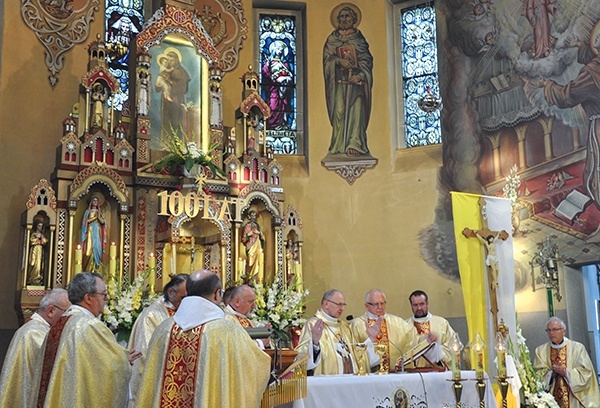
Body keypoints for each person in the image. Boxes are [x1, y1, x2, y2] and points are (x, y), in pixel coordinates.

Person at [136, 270, 271, 407]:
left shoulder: (163, 329)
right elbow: (251, 370)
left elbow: (148, 378)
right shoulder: (227, 332)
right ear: (217, 294)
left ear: (188, 292)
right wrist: (261, 345)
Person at [531, 27, 600, 242]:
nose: (595, 42)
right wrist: (577, 46)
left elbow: (568, 95)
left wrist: (547, 85)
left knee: (596, 176)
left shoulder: (591, 73)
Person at [34, 272, 140, 407]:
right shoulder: (90, 326)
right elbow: (109, 372)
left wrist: (120, 358)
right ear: (88, 298)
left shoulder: (61, 322)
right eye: (103, 294)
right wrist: (124, 361)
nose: (106, 299)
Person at [0, 289, 70, 407]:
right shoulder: (36, 333)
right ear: (51, 310)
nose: (68, 319)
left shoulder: (36, 328)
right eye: (66, 313)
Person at [128, 274, 188, 402]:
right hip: (159, 381)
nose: (187, 302)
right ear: (171, 292)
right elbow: (144, 354)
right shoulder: (152, 315)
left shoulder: (187, 312)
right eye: (183, 297)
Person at [323, 5, 373, 157]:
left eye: (347, 16)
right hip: (339, 84)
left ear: (354, 19)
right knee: (339, 111)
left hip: (356, 85)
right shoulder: (332, 39)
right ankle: (339, 144)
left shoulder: (359, 38)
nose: (344, 19)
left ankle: (355, 143)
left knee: (357, 110)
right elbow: (327, 59)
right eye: (341, 17)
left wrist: (361, 76)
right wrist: (338, 61)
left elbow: (367, 60)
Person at [351, 289, 438, 373]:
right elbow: (353, 353)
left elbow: (414, 340)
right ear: (367, 306)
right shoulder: (357, 325)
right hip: (368, 377)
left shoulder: (399, 323)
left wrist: (427, 340)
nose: (380, 307)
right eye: (376, 304)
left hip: (394, 375)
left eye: (382, 303)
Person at [533, 317, 600, 408]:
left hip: (573, 399)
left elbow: (586, 373)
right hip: (551, 397)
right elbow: (537, 375)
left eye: (555, 329)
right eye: (548, 330)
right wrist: (550, 374)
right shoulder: (541, 351)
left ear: (563, 331)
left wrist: (565, 372)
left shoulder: (577, 348)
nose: (551, 333)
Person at [298, 289, 358, 375]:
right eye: (339, 304)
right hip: (327, 382)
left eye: (343, 305)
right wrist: (314, 343)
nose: (342, 308)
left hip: (349, 380)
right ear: (326, 304)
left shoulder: (344, 327)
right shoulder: (313, 325)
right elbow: (301, 359)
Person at [406, 290, 457, 367]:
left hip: (438, 371)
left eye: (422, 304)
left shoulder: (442, 323)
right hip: (414, 373)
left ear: (427, 304)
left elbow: (453, 345)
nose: (419, 308)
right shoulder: (405, 326)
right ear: (411, 306)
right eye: (415, 305)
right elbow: (404, 350)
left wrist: (437, 349)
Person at [224, 284, 270, 349]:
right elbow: (237, 347)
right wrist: (260, 343)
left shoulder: (247, 320)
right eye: (250, 302)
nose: (254, 306)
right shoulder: (227, 320)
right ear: (237, 302)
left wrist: (265, 334)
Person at [262, 40, 294, 130]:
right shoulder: (270, 62)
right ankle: (271, 124)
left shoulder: (285, 64)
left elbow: (289, 74)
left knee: (283, 106)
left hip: (284, 89)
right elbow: (266, 73)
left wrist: (286, 79)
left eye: (281, 49)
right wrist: (267, 66)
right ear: (274, 49)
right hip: (274, 88)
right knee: (273, 104)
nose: (280, 51)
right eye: (278, 48)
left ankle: (282, 123)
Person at [158, 50, 191, 135]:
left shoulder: (181, 71)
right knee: (166, 121)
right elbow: (158, 86)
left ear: (177, 60)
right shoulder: (166, 70)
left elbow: (183, 89)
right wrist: (159, 84)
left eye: (172, 61)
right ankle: (165, 141)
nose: (170, 63)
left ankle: (177, 143)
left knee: (176, 122)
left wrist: (171, 82)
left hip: (177, 100)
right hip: (166, 101)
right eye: (168, 61)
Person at [80, 196, 107, 273]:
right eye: (94, 200)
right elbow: (86, 222)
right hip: (90, 230)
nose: (95, 202)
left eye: (96, 201)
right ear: (91, 202)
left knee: (97, 249)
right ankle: (86, 271)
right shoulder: (87, 212)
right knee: (88, 252)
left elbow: (103, 222)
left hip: (97, 231)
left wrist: (98, 217)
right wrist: (95, 218)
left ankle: (95, 271)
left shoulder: (99, 212)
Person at [241, 209, 265, 282]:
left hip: (257, 245)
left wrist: (259, 234)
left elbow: (263, 238)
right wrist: (249, 234)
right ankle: (248, 279)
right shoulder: (247, 226)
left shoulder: (258, 226)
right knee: (250, 262)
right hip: (250, 246)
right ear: (249, 216)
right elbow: (243, 239)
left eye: (254, 216)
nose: (253, 217)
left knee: (259, 262)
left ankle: (256, 280)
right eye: (252, 216)